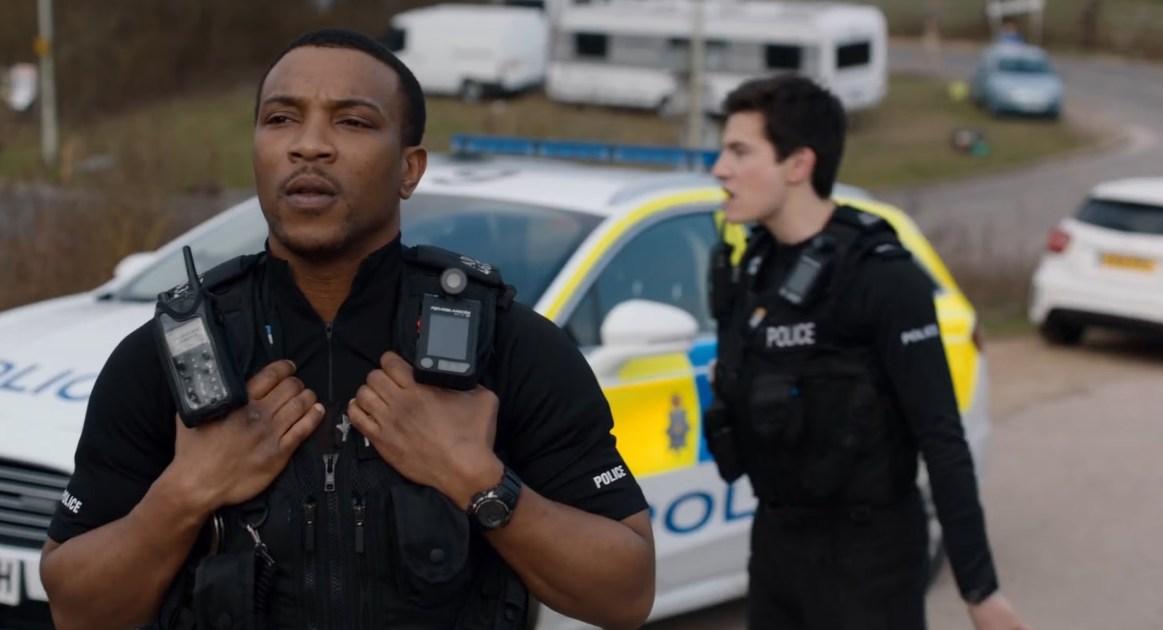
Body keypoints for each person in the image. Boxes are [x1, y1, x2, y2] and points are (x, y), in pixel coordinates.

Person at [40, 29, 655, 630]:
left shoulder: (510, 345)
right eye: (281, 119)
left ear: (410, 168)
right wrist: (186, 492)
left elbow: (625, 594)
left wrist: (476, 478)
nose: (309, 146)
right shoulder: (170, 356)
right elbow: (76, 609)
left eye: (353, 122)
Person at [704, 75, 1029, 630]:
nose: (720, 169)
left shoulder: (881, 277)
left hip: (869, 561)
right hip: (777, 548)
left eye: (739, 151)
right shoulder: (753, 268)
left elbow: (942, 440)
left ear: (798, 164)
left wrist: (981, 592)